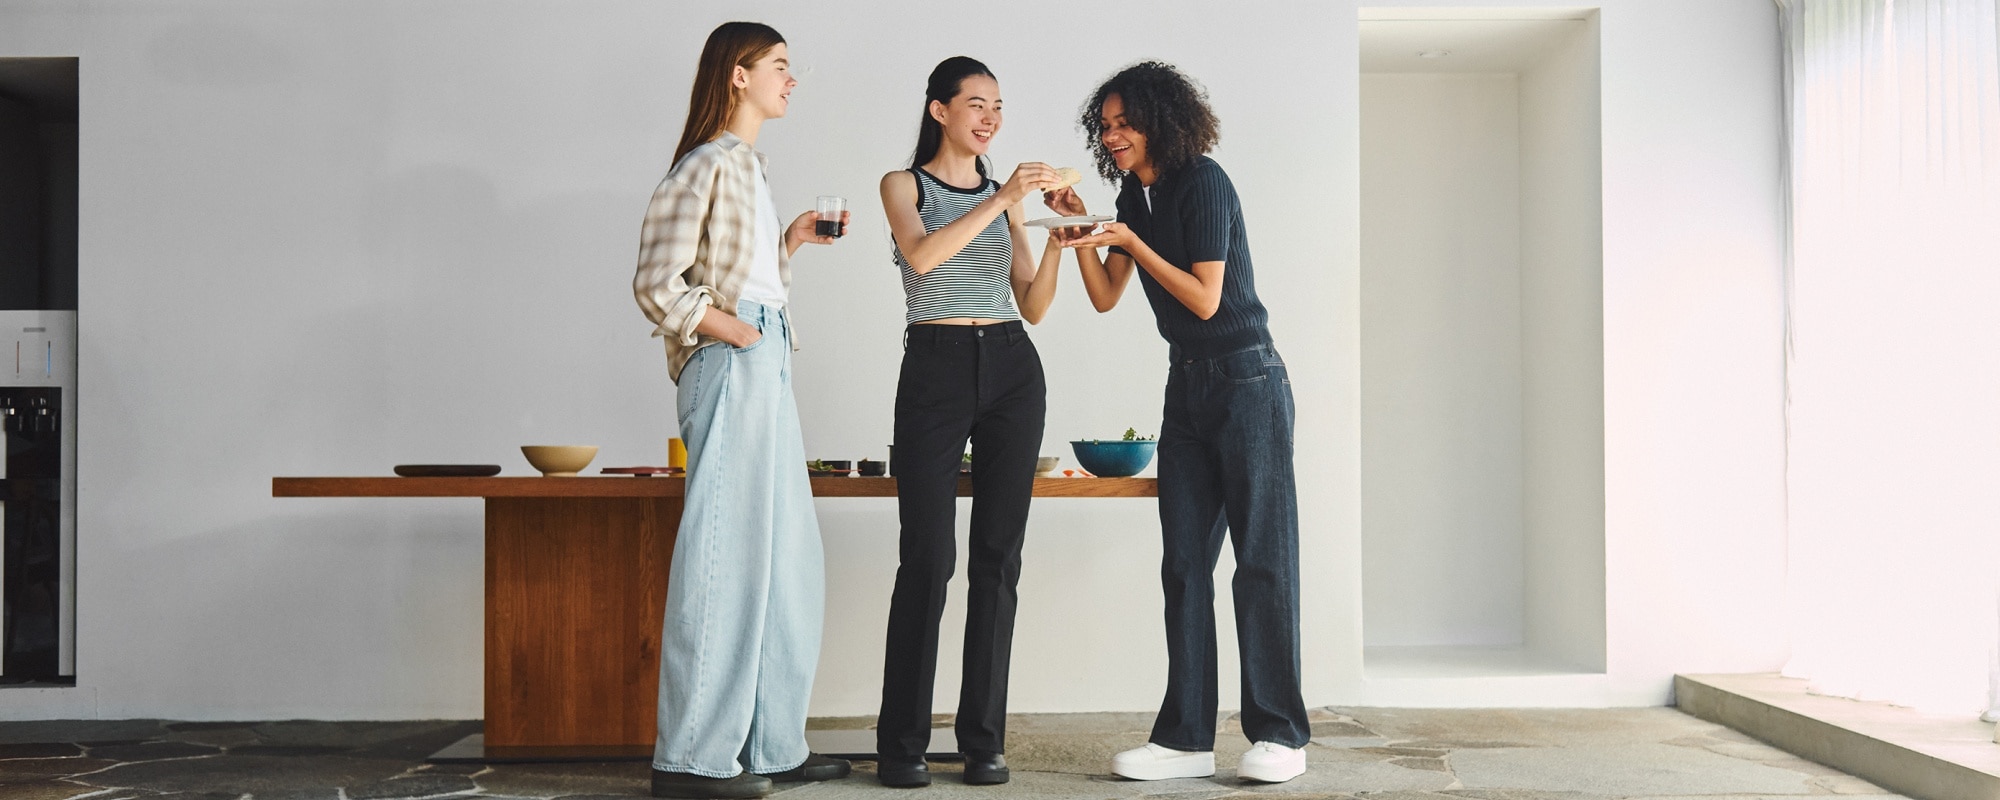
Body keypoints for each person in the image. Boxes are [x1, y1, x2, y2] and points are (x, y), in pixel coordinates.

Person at [1046, 60, 1311, 784]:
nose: (1114, 135)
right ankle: (1187, 737)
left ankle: (1281, 734)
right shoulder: (1135, 193)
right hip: (1187, 388)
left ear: (1162, 119)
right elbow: (1104, 296)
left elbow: (1203, 297)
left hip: (1248, 379)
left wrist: (1130, 241)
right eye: (1105, 126)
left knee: (1261, 561)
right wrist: (1085, 231)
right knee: (1185, 563)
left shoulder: (1204, 183)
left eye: (1125, 122)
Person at [631, 21, 852, 799]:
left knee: (786, 564)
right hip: (730, 367)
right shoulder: (705, 165)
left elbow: (750, 281)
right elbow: (657, 280)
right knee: (724, 561)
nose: (792, 80)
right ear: (738, 74)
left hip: (766, 364)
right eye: (781, 66)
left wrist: (787, 246)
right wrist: (727, 327)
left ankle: (770, 747)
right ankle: (691, 760)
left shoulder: (751, 171)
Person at [873, 55, 1065, 789]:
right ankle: (903, 745)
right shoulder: (904, 185)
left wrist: (1054, 240)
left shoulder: (1005, 196)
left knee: (998, 559)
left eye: (998, 106)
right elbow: (922, 259)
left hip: (1013, 365)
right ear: (939, 110)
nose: (990, 118)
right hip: (936, 362)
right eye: (977, 104)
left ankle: (983, 739)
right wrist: (1003, 196)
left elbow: (1034, 303)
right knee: (928, 558)